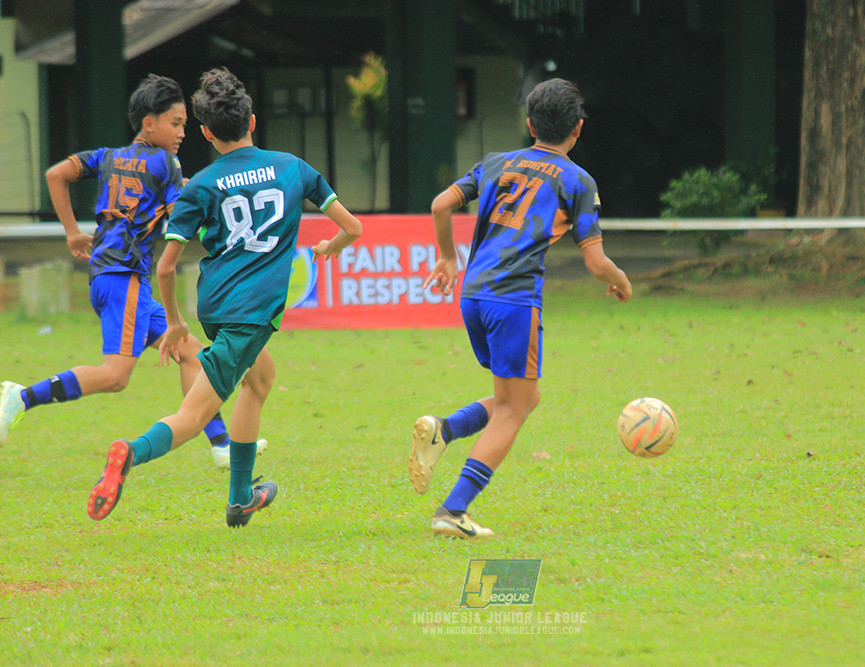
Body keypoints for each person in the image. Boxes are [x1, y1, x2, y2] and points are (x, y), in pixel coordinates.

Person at [86, 67, 362, 526]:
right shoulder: (294, 167)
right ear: (253, 122)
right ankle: (128, 453)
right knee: (193, 417)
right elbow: (352, 227)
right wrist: (331, 245)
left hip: (215, 305)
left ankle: (239, 500)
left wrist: (176, 322)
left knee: (259, 380)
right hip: (249, 315)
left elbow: (168, 265)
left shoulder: (201, 184)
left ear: (208, 134)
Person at [0, 73, 264, 470]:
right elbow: (179, 211)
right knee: (115, 376)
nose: (180, 133)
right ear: (149, 123)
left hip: (111, 279)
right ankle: (21, 397)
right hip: (125, 278)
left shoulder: (107, 156)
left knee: (191, 352)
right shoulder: (166, 163)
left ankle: (221, 444)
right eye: (175, 124)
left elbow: (56, 174)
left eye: (184, 126)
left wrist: (72, 233)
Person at [408, 77, 632, 538]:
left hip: (474, 295)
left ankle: (444, 431)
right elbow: (595, 262)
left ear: (530, 124)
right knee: (514, 408)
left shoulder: (496, 163)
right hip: (513, 302)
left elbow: (439, 205)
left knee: (523, 398)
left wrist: (448, 258)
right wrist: (621, 280)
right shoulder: (578, 181)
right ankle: (453, 510)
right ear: (578, 129)